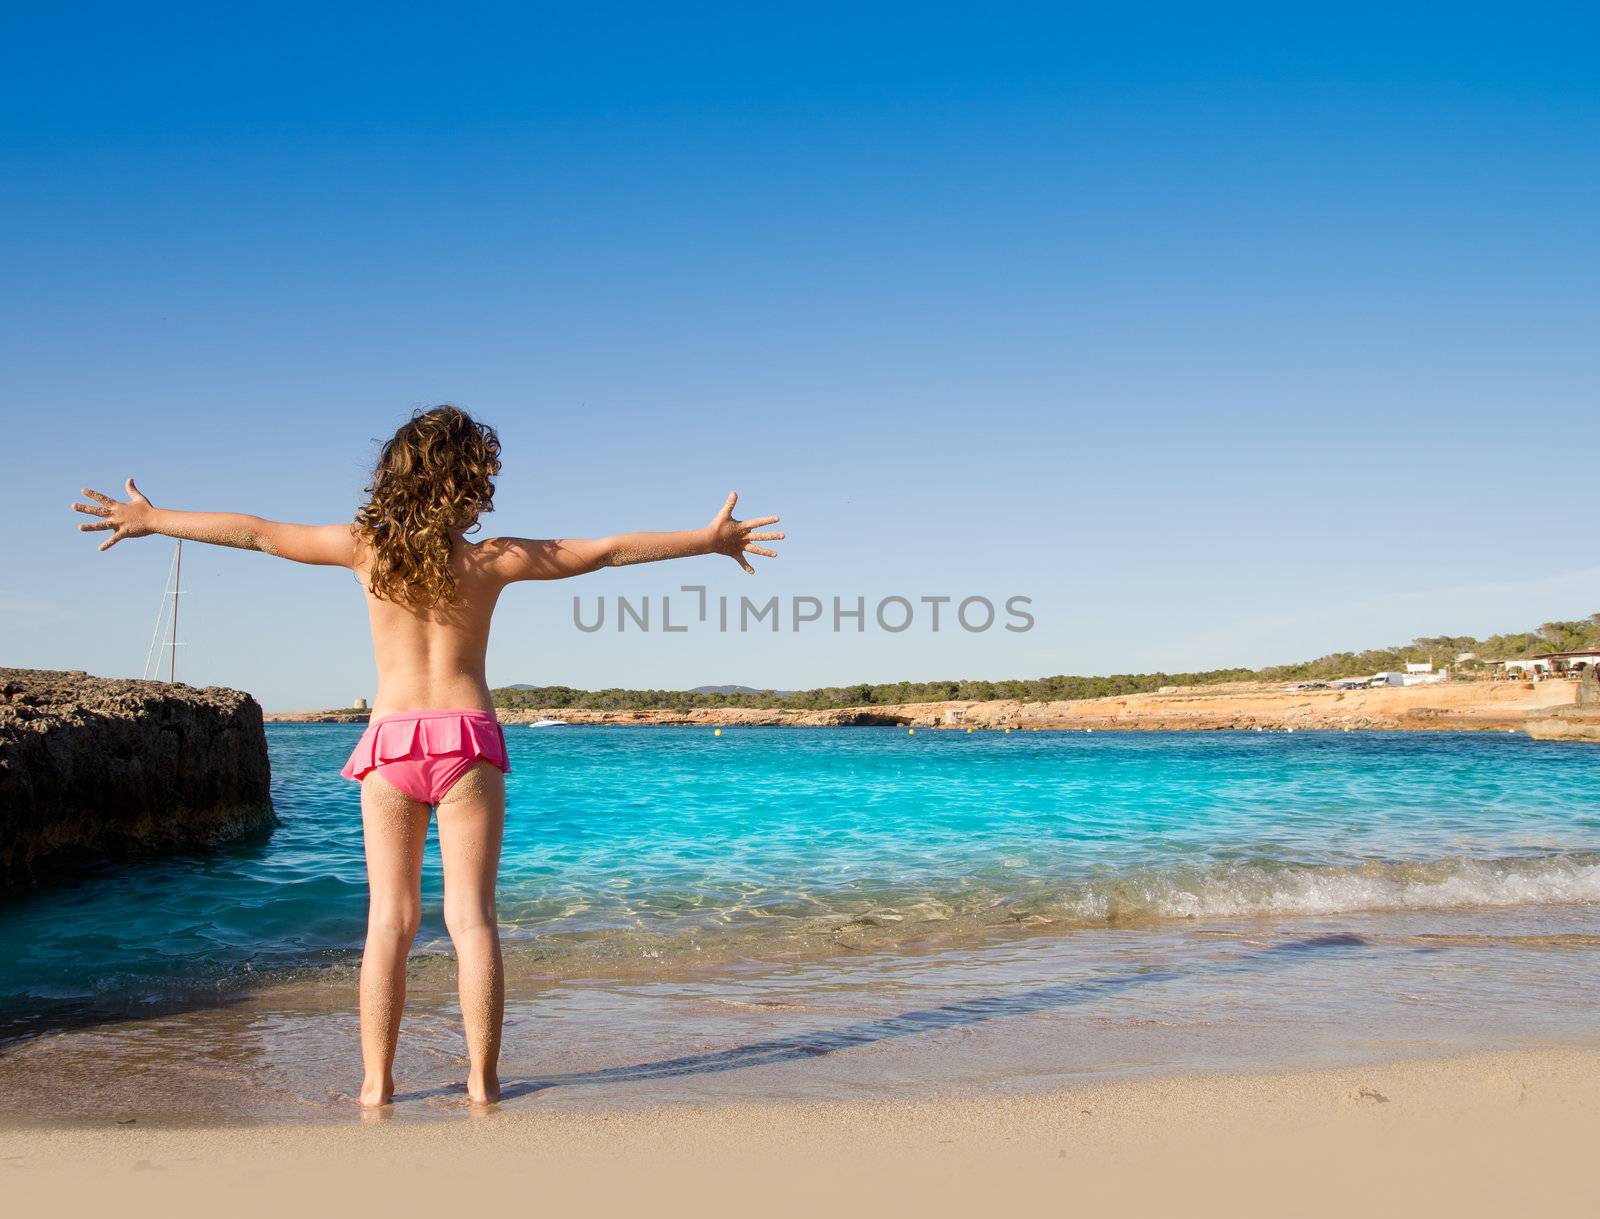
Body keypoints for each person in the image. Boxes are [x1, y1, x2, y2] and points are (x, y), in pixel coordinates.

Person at [72, 405, 783, 1107]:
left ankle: (376, 1083)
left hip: (390, 742)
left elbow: (258, 535)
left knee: (389, 919)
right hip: (467, 739)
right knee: (471, 919)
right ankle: (483, 1081)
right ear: (472, 481)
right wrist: (706, 540)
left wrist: (154, 519)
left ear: (395, 474)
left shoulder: (364, 548)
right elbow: (602, 550)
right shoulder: (493, 557)